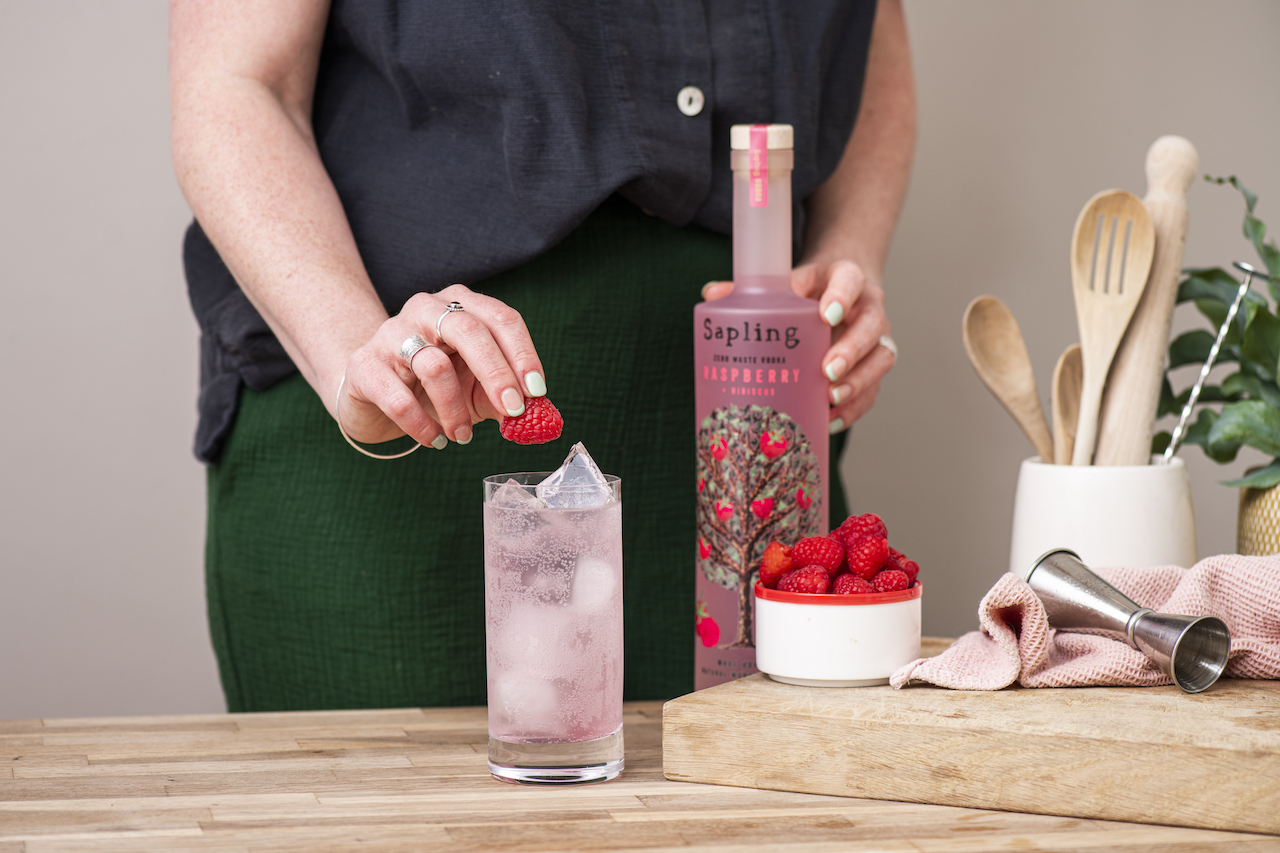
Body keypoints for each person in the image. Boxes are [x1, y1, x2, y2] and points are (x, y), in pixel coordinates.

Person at [170, 0, 916, 712]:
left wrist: (850, 259)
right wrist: (359, 355)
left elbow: (867, 32)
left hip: (754, 465)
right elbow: (237, 84)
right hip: (399, 460)